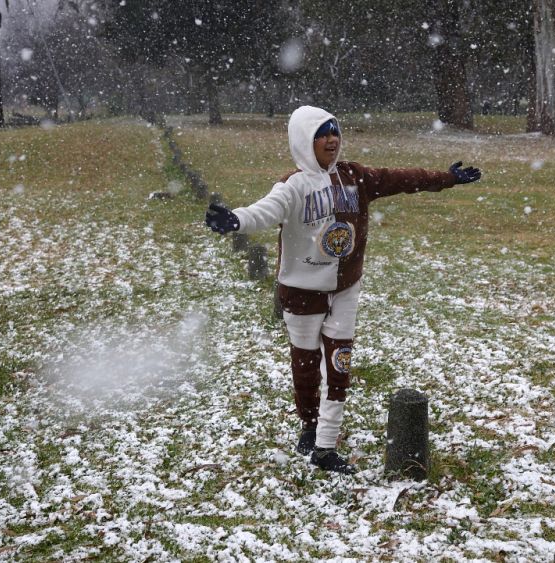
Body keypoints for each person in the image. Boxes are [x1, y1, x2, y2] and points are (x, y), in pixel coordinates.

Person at [205, 105, 481, 474]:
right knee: (305, 367)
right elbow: (265, 210)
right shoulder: (294, 186)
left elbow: (400, 178)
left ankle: (325, 447)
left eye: (335, 131)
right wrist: (236, 219)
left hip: (345, 289)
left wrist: (445, 178)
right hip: (302, 292)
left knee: (339, 365)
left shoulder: (356, 178)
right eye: (322, 133)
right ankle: (309, 424)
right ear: (305, 140)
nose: (331, 139)